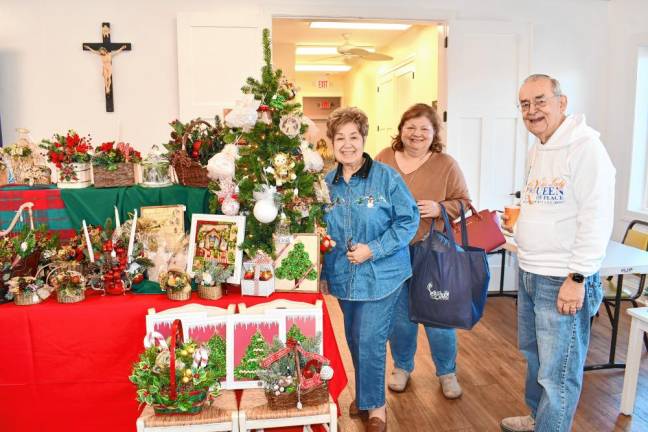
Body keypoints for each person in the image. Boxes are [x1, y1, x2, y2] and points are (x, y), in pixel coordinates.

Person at [499, 74, 615, 432]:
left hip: (562, 279)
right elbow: (551, 206)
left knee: (559, 374)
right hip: (532, 272)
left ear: (562, 103)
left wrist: (577, 277)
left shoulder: (586, 149)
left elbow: (595, 218)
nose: (532, 111)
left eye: (540, 101)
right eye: (524, 104)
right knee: (535, 359)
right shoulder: (540, 147)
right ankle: (538, 419)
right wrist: (521, 226)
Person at [320, 107, 419, 432]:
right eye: (340, 138)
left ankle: (376, 407)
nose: (347, 144)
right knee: (354, 337)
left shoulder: (387, 178)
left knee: (370, 338)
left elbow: (408, 221)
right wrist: (319, 271)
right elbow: (318, 230)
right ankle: (365, 396)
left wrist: (372, 250)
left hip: (382, 276)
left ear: (363, 139)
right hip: (343, 277)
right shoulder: (325, 184)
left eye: (353, 137)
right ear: (331, 143)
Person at [375, 103, 471, 399]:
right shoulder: (384, 159)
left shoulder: (446, 164)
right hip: (392, 252)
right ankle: (402, 367)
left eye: (424, 129)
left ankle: (447, 372)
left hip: (431, 251)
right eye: (411, 127)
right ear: (401, 130)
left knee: (437, 315)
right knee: (400, 317)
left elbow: (464, 201)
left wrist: (440, 207)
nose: (416, 134)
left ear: (434, 134)